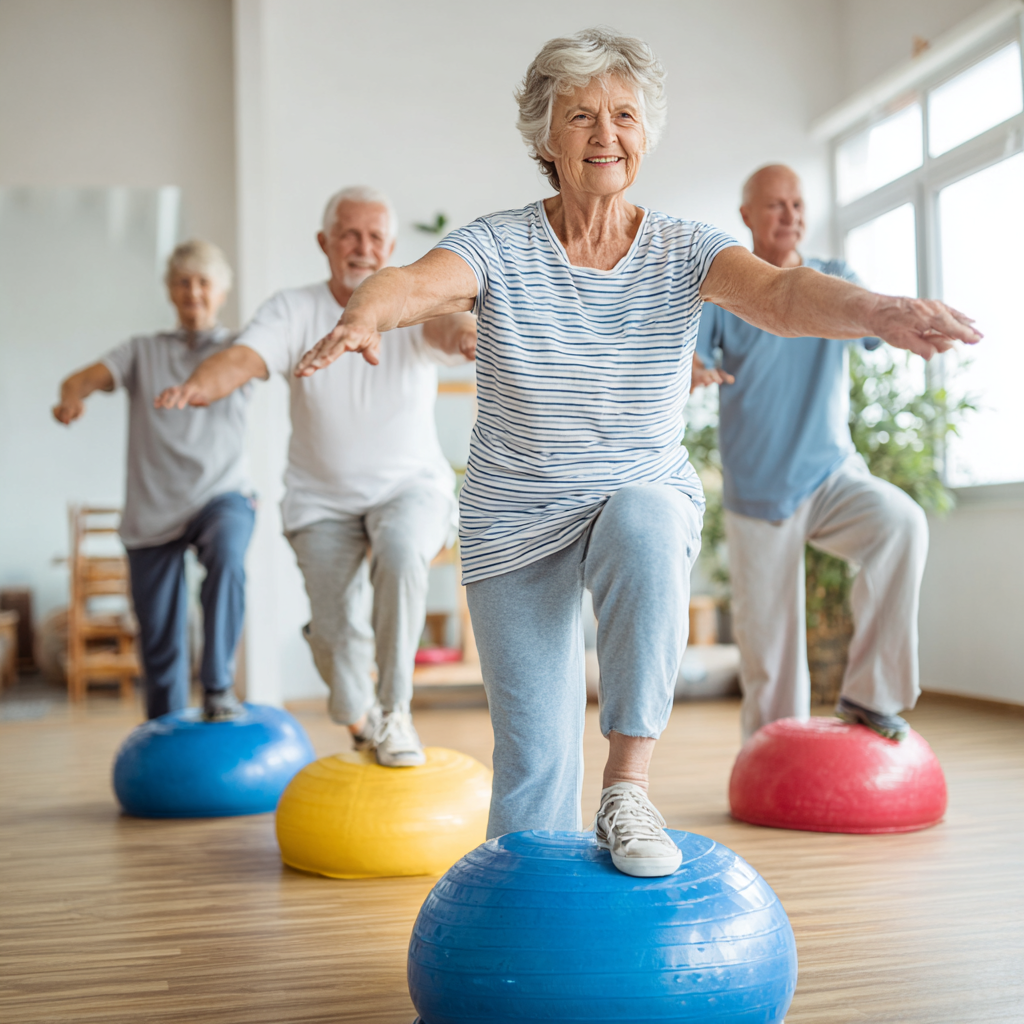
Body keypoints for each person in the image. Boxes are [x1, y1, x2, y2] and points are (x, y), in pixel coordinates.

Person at [293, 31, 979, 876]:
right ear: (546, 137)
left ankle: (628, 789)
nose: (605, 134)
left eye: (623, 115)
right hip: (516, 520)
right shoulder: (499, 244)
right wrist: (366, 313)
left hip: (637, 496)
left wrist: (878, 311)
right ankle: (528, 922)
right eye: (580, 115)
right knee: (534, 771)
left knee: (649, 513)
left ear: (645, 133)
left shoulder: (684, 248)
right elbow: (410, 282)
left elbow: (780, 292)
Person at [156, 186, 476, 768]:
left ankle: (396, 712)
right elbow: (245, 357)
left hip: (410, 488)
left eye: (374, 236)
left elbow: (447, 327)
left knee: (401, 553)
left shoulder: (408, 301)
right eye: (349, 234)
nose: (362, 246)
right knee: (337, 642)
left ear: (391, 247)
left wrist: (467, 336)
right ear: (324, 242)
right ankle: (357, 705)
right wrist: (200, 385)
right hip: (320, 502)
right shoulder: (292, 310)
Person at [694, 164, 932, 744]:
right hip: (758, 493)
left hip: (831, 475)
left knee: (901, 524)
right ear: (746, 215)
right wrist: (692, 368)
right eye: (775, 205)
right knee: (772, 661)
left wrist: (903, 317)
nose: (790, 215)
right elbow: (691, 356)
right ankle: (770, 762)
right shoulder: (728, 292)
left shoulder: (834, 277)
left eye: (797, 204)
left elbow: (870, 322)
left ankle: (871, 695)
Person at [53, 240, 254, 722]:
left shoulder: (240, 349)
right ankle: (165, 724)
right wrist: (72, 397)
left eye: (203, 282)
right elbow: (82, 378)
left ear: (221, 291)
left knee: (228, 551)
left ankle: (218, 687)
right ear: (170, 290)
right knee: (160, 638)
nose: (193, 292)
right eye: (183, 282)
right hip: (153, 507)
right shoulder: (142, 351)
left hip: (221, 493)